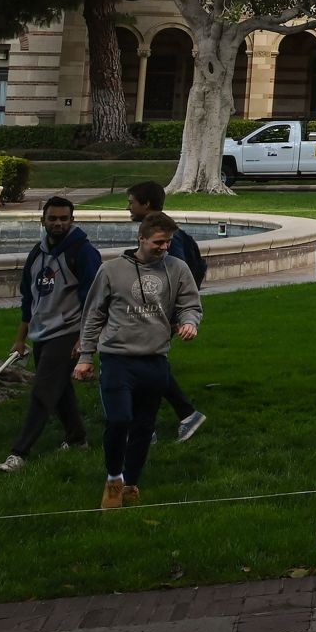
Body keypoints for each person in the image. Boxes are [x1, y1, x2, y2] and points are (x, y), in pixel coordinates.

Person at [74, 214, 203, 509]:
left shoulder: (177, 268)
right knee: (119, 420)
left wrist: (190, 322)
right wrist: (85, 357)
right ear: (141, 239)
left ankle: (131, 483)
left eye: (168, 242)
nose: (164, 248)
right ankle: (113, 478)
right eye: (159, 242)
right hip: (118, 359)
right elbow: (93, 315)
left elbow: (190, 305)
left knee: (145, 427)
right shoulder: (111, 270)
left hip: (155, 359)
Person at [0, 196, 102, 471]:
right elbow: (28, 300)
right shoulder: (37, 253)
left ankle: (19, 453)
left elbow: (94, 298)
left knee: (43, 391)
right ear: (43, 220)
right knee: (61, 390)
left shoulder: (83, 252)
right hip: (40, 333)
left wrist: (85, 339)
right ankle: (77, 438)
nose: (58, 223)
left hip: (68, 332)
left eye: (64, 218)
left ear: (72, 220)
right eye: (53, 218)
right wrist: (20, 339)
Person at [125, 182, 209, 442]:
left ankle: (154, 425)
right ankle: (179, 415)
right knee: (148, 366)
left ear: (146, 204)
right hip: (154, 313)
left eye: (131, 201)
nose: (128, 206)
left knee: (145, 367)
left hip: (161, 315)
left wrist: (176, 316)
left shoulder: (167, 237)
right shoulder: (163, 231)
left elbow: (179, 274)